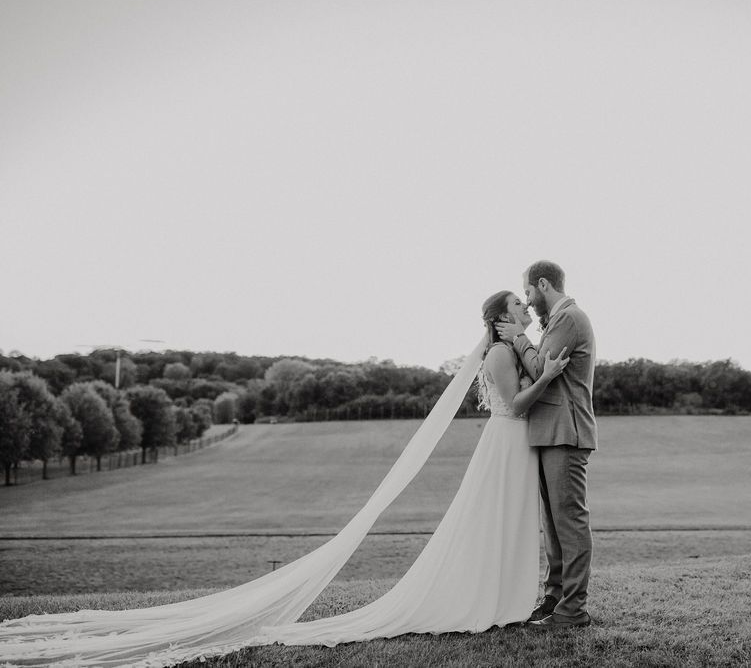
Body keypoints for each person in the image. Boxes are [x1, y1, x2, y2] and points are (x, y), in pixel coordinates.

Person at [0, 292, 570, 666]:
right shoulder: (498, 352)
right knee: (492, 522)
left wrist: (541, 363)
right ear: (499, 318)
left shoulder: (508, 344)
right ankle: (488, 599)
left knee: (508, 524)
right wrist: (548, 378)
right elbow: (516, 405)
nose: (525, 310)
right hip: (504, 443)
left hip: (511, 448)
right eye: (518, 306)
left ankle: (506, 598)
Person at [496, 260, 598, 629]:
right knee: (554, 526)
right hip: (549, 431)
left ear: (543, 284)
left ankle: (573, 610)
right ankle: (554, 597)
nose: (527, 299)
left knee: (569, 523)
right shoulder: (558, 320)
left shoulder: (569, 318)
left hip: (565, 432)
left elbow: (541, 369)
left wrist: (517, 339)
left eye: (527, 292)